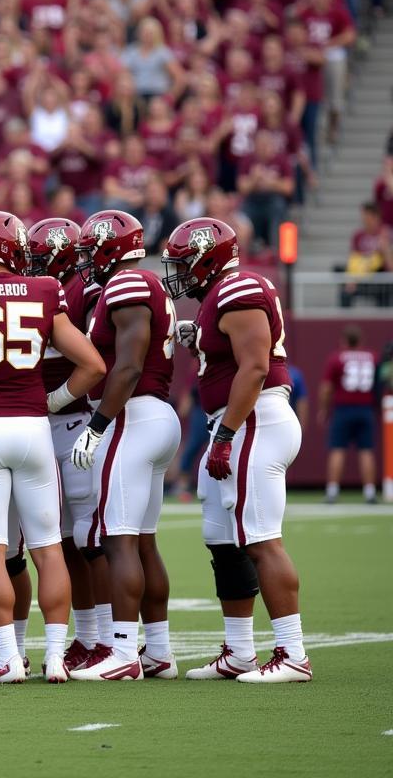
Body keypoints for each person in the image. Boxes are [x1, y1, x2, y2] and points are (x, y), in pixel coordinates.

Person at [0, 212, 105, 683]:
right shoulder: (45, 289)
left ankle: (9, 657)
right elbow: (92, 364)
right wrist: (51, 399)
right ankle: (55, 656)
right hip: (34, 428)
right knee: (49, 546)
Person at [163, 217, 311, 683]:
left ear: (208, 258)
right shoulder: (221, 294)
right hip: (236, 421)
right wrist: (198, 339)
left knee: (261, 540)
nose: (180, 271)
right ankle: (240, 651)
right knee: (223, 540)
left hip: (252, 421)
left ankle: (292, 653)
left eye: (186, 262)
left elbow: (254, 369)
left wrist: (226, 435)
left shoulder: (238, 290)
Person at [67, 209, 181, 681]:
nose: (88, 261)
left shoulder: (127, 284)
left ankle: (123, 653)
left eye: (92, 250)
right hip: (155, 416)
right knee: (144, 543)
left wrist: (97, 424)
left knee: (117, 540)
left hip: (133, 415)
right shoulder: (146, 283)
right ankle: (158, 650)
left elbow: (129, 367)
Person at [28, 218, 106, 673]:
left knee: (90, 537)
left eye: (38, 257)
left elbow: (97, 362)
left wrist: (55, 398)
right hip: (40, 426)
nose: (29, 266)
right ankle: (88, 635)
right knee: (61, 539)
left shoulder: (86, 292)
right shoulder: (32, 291)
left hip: (73, 419)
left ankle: (114, 639)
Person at [318, 327, 379, 505]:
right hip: (365, 409)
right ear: (360, 340)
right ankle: (369, 492)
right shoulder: (373, 357)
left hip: (343, 409)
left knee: (337, 449)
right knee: (366, 451)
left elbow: (327, 388)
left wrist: (324, 409)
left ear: (344, 340)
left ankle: (332, 491)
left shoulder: (337, 358)